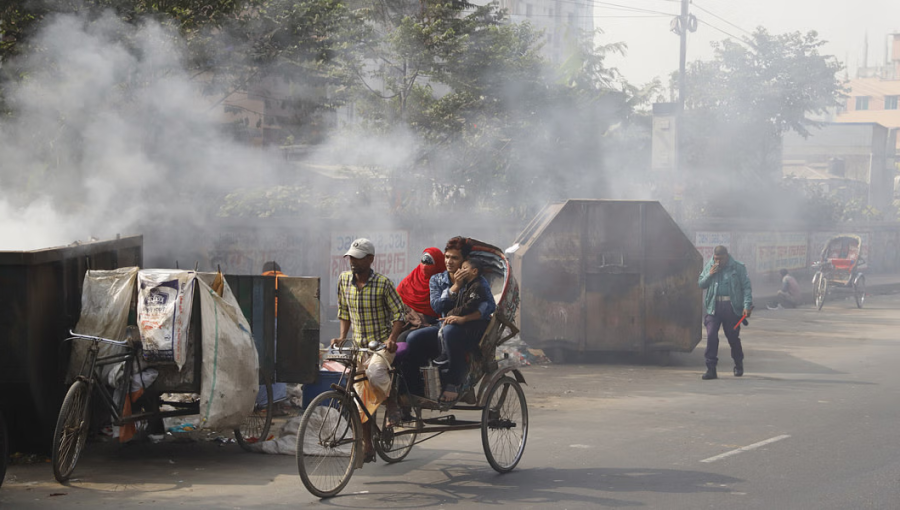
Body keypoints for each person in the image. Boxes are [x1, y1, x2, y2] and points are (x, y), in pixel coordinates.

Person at [333, 238, 405, 462]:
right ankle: (367, 446)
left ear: (371, 259)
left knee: (374, 373)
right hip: (358, 346)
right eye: (351, 257)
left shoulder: (383, 283)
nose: (353, 261)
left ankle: (391, 401)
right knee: (358, 400)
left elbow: (399, 314)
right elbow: (343, 311)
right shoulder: (344, 280)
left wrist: (392, 338)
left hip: (382, 345)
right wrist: (343, 336)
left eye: (358, 257)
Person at [399, 237, 496, 402]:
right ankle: (415, 389)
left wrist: (463, 319)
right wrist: (455, 287)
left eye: (455, 258)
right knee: (412, 338)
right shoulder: (437, 280)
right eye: (447, 257)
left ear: (464, 260)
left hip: (472, 326)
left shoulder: (477, 280)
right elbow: (437, 307)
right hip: (444, 324)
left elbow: (489, 306)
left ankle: (453, 382)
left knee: (451, 331)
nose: (449, 261)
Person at [698, 245, 753, 380]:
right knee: (711, 336)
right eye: (716, 259)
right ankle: (711, 369)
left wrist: (746, 305)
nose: (718, 262)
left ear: (726, 257)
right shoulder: (710, 265)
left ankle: (738, 364)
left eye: (720, 259)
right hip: (713, 307)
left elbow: (746, 287)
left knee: (733, 337)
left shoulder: (737, 267)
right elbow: (701, 284)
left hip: (731, 307)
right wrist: (710, 274)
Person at [433, 258, 492, 367]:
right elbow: (438, 305)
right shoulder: (464, 285)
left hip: (474, 325)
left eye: (464, 268)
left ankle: (453, 364)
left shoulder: (478, 286)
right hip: (464, 321)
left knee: (447, 331)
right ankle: (444, 355)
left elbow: (470, 306)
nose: (460, 271)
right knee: (441, 330)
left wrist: (452, 313)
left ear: (474, 272)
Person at [396, 247, 446, 333]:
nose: (425, 266)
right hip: (406, 318)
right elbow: (396, 300)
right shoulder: (411, 279)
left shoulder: (442, 281)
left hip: (431, 322)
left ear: (438, 264)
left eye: (429, 262)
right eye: (423, 261)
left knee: (405, 338)